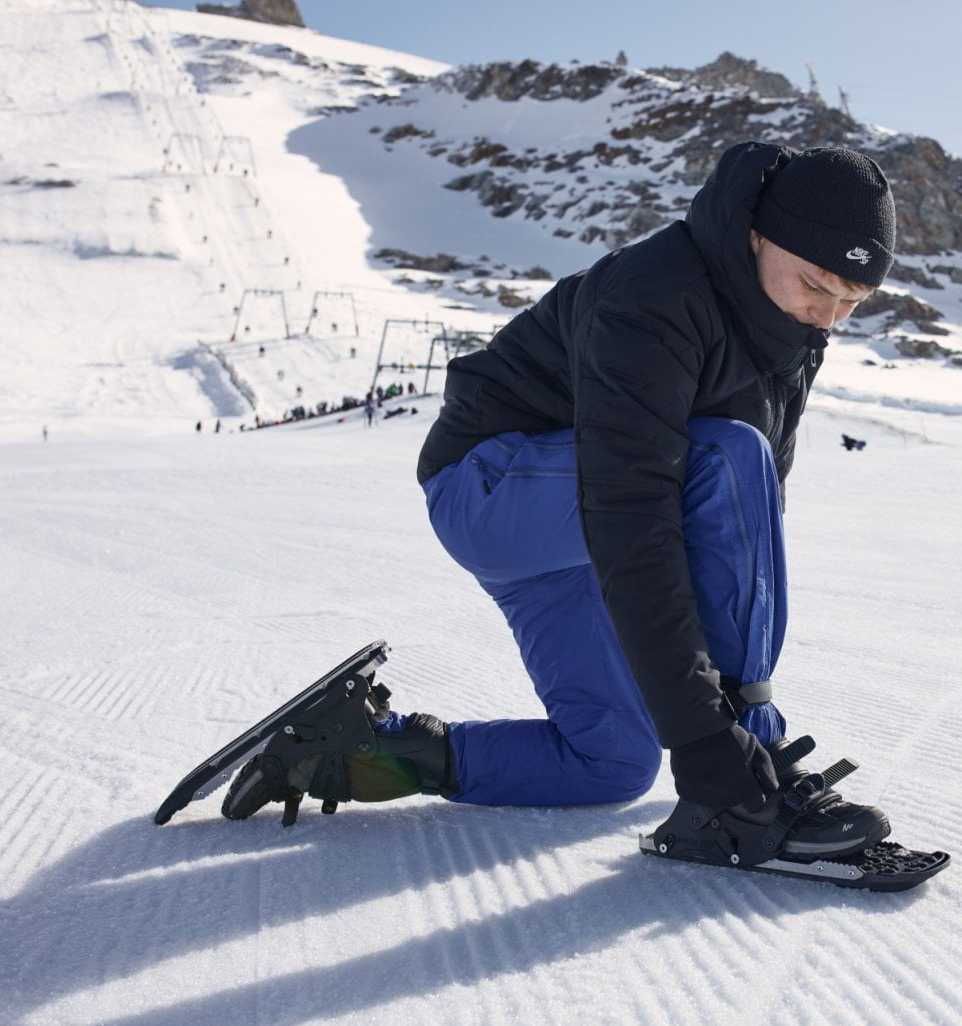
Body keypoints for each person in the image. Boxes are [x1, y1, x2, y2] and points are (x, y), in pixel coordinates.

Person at [224, 143, 897, 856]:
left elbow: (744, 534)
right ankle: (759, 772)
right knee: (728, 454)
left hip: (572, 531)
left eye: (852, 302)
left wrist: (711, 718)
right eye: (816, 285)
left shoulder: (792, 332)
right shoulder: (657, 294)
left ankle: (350, 749)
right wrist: (713, 731)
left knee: (612, 760)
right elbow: (634, 510)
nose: (828, 316)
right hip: (492, 489)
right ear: (757, 235)